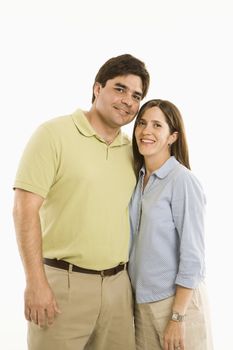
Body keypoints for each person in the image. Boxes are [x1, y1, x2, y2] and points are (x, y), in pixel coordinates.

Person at [13, 54, 150, 350]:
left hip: (118, 288)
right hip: (64, 285)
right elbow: (25, 209)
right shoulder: (53, 134)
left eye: (136, 95)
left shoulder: (133, 150)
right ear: (97, 88)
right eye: (120, 88)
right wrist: (35, 283)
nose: (128, 100)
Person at [128, 99, 213, 350]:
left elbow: (193, 255)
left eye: (157, 125)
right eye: (142, 123)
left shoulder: (182, 181)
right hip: (142, 304)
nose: (146, 131)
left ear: (172, 137)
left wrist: (177, 317)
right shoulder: (139, 179)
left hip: (177, 304)